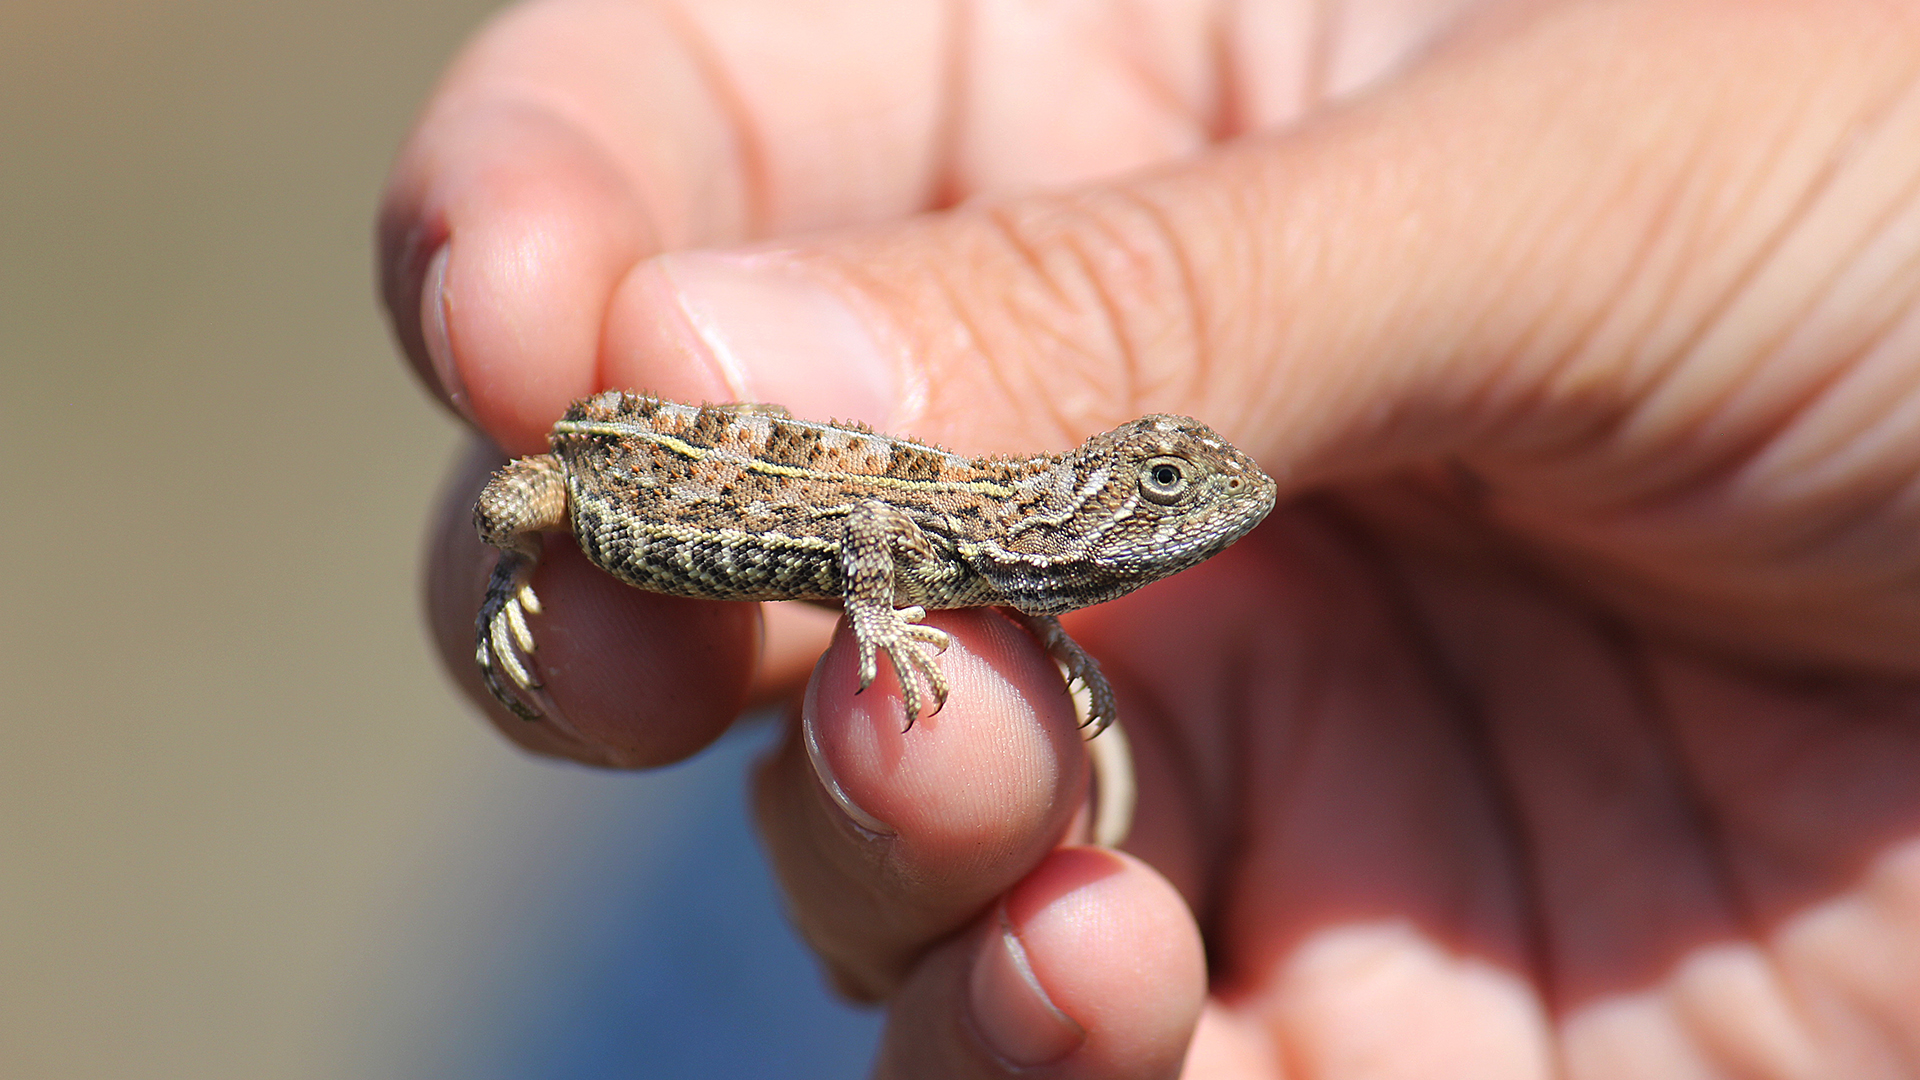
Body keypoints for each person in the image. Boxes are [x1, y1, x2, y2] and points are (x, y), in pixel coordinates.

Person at [381, 1, 1920, 1075]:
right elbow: (870, 540)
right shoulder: (954, 519)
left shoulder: (1018, 561)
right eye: (1174, 495)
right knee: (529, 516)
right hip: (630, 482)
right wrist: (886, 618)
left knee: (971, 871)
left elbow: (992, 596)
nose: (1218, 512)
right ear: (1101, 505)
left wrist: (1025, 636)